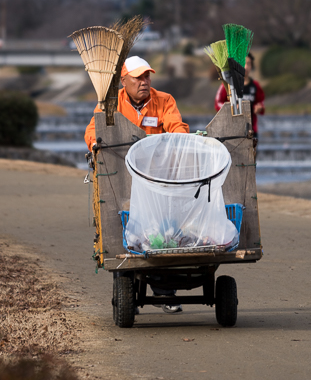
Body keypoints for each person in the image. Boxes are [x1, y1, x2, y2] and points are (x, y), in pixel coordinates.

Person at [83, 55, 189, 314]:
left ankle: (165, 292)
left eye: (147, 76)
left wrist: (180, 140)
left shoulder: (164, 100)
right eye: (138, 77)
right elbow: (91, 131)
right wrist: (95, 143)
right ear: (124, 80)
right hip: (121, 181)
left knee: (164, 233)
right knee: (123, 233)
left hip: (157, 181)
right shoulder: (110, 104)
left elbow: (176, 126)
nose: (144, 81)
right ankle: (126, 289)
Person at [213, 55, 265, 137]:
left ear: (251, 66)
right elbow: (217, 103)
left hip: (251, 131)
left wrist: (259, 108)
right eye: (244, 63)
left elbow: (261, 102)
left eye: (249, 64)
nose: (246, 67)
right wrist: (230, 108)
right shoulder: (228, 85)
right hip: (231, 130)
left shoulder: (255, 86)